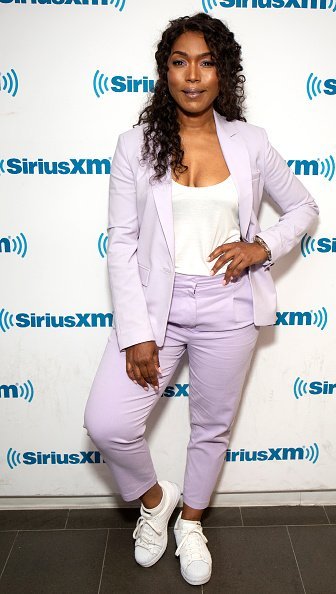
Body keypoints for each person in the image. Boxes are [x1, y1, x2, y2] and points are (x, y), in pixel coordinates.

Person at [84, 11, 319, 587]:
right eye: (180, 61)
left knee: (211, 425)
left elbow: (304, 208)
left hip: (228, 304)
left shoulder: (250, 143)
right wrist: (138, 331)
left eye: (206, 62)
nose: (193, 75)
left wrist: (261, 247)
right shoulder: (134, 145)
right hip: (156, 311)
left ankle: (191, 521)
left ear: (224, 72)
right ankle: (154, 501)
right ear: (165, 71)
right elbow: (122, 242)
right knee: (108, 422)